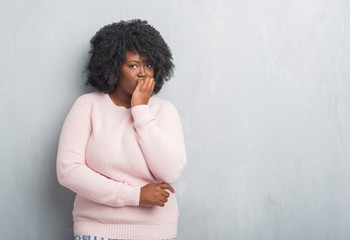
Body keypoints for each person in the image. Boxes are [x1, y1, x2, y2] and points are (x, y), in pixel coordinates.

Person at [56, 19, 187, 240]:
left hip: (156, 232)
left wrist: (140, 112)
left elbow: (170, 172)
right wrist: (134, 195)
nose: (143, 73)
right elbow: (69, 171)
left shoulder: (165, 111)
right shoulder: (87, 106)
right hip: (97, 231)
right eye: (133, 65)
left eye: (149, 65)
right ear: (113, 66)